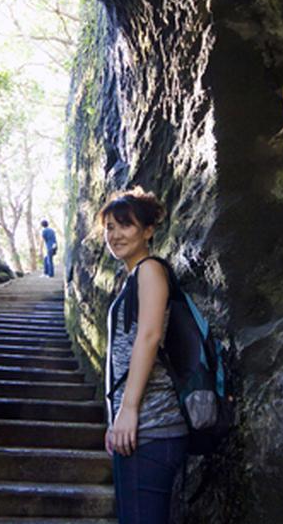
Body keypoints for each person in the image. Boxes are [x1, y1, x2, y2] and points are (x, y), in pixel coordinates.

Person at [100, 188, 188, 523]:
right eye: (109, 227)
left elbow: (150, 337)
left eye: (125, 225)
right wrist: (116, 420)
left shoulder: (150, 270)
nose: (115, 235)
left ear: (148, 231)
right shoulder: (131, 279)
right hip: (138, 428)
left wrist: (129, 410)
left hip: (153, 425)